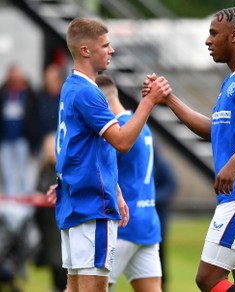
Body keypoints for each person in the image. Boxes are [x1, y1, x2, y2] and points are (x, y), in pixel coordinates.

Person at [143, 7, 235, 292]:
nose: (208, 41)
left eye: (213, 34)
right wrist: (169, 100)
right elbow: (215, 130)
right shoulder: (232, 80)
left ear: (234, 36)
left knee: (207, 279)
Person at [50, 17, 171, 292]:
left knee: (74, 288)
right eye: (105, 45)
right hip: (93, 207)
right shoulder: (89, 94)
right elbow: (123, 142)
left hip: (75, 202)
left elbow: (82, 148)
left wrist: (115, 187)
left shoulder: (70, 87)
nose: (111, 50)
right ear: (85, 50)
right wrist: (149, 101)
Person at [96, 74, 162, 292]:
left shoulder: (119, 133)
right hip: (147, 223)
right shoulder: (140, 125)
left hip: (122, 225)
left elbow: (99, 174)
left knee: (90, 288)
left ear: (101, 102)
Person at [33, 132, 67, 292]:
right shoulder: (44, 170)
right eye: (46, 149)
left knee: (63, 267)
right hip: (48, 227)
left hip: (60, 227)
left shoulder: (63, 169)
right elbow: (38, 190)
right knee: (54, 266)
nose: (48, 152)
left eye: (51, 149)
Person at [0, 64, 38, 196]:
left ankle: (26, 201)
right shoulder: (3, 92)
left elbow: (33, 117)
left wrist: (33, 141)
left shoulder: (28, 93)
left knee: (24, 172)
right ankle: (10, 203)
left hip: (22, 138)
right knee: (7, 172)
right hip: (5, 139)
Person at [153, 144, 178, 292]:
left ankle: (162, 285)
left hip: (159, 220)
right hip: (137, 221)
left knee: (159, 259)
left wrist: (151, 200)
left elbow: (171, 187)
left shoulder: (161, 164)